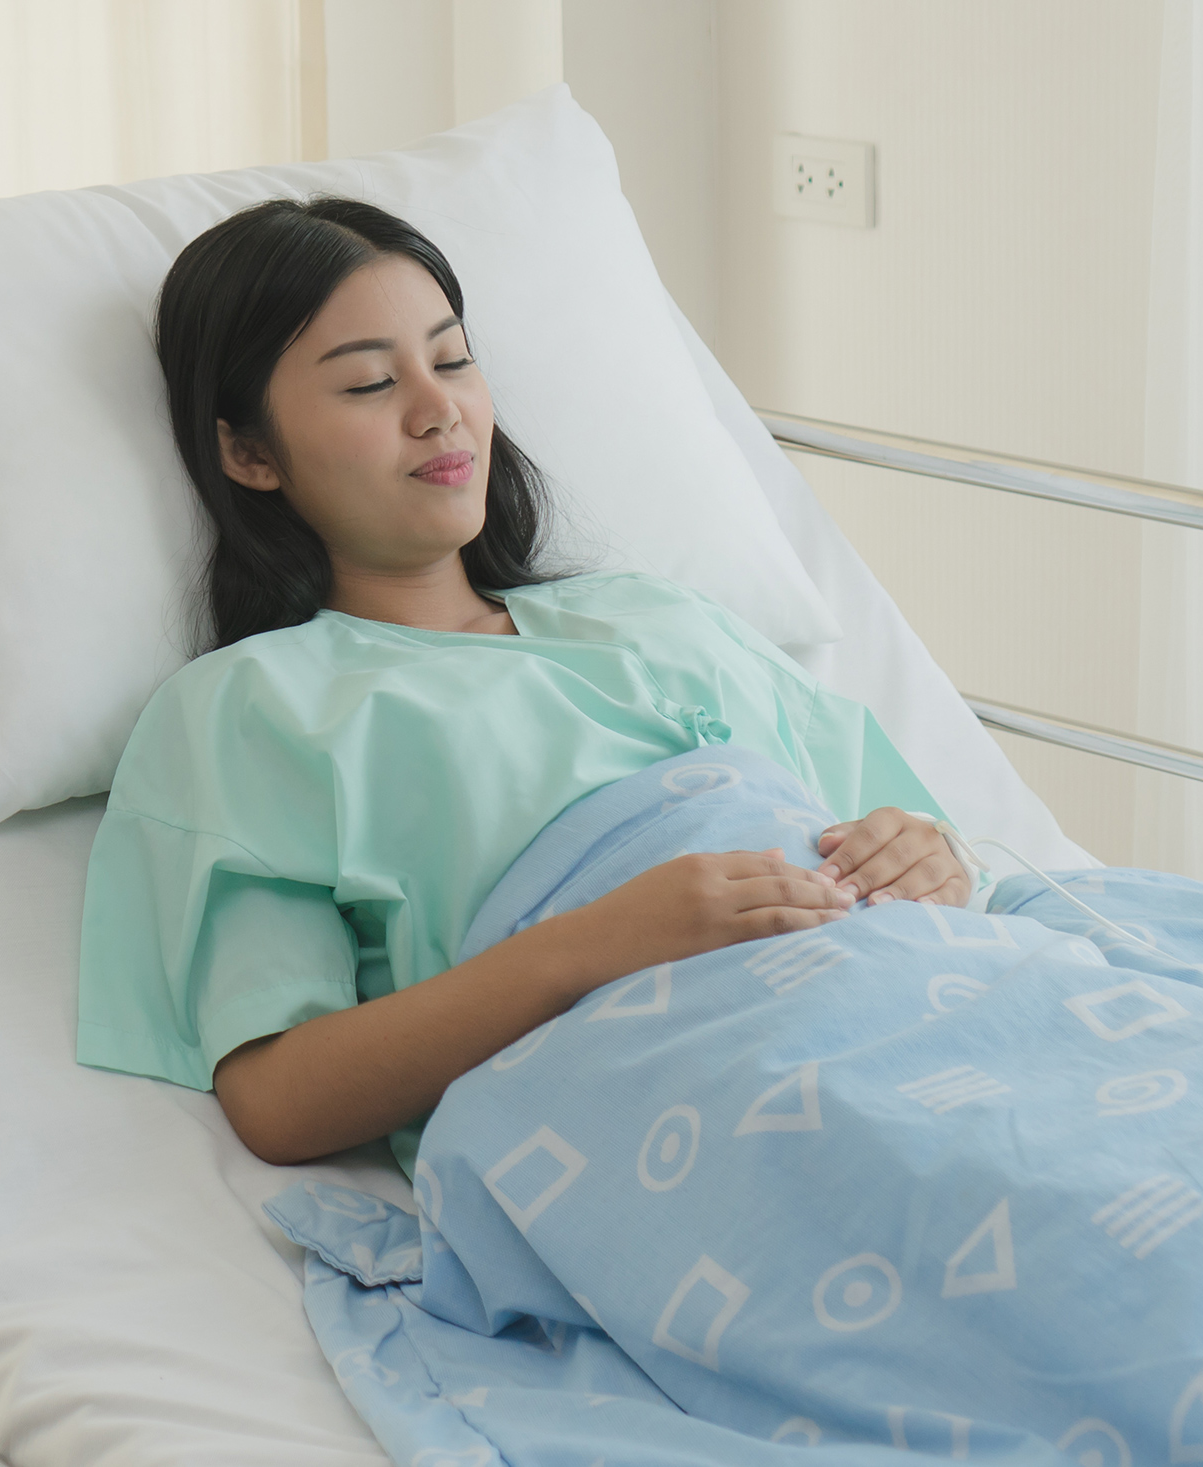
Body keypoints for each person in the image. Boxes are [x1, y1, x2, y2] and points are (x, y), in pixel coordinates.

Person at [75, 197, 972, 1174]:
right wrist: (596, 943)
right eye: (371, 383)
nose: (438, 409)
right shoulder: (249, 711)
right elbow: (280, 1099)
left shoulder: (655, 619)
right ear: (249, 453)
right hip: (716, 1107)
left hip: (929, 1011)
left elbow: (913, 844)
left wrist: (927, 857)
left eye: (452, 360)